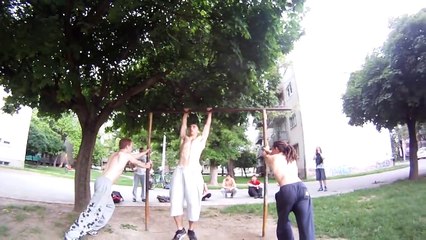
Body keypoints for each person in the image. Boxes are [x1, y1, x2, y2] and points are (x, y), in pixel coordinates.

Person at [64, 138, 151, 240]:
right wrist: (146, 165)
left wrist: (145, 152)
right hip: (105, 184)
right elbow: (136, 161)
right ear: (127, 146)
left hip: (101, 181)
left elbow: (133, 156)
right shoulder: (125, 155)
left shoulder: (116, 154)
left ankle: (92, 227)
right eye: (131, 146)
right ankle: (72, 235)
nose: (132, 148)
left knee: (109, 207)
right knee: (93, 210)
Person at [170, 108, 212, 240]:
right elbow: (183, 127)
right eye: (190, 126)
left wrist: (209, 114)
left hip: (193, 171)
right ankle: (179, 230)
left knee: (193, 201)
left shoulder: (200, 140)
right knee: (175, 199)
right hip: (180, 170)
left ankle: (191, 230)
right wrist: (185, 115)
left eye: (194, 126)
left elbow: (207, 127)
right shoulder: (184, 139)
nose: (191, 128)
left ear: (198, 130)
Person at [263, 141, 315, 240]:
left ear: (277, 149)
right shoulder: (290, 158)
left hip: (287, 190)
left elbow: (265, 155)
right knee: (306, 223)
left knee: (283, 221)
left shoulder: (273, 158)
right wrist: (269, 149)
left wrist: (266, 150)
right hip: (302, 189)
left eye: (273, 149)